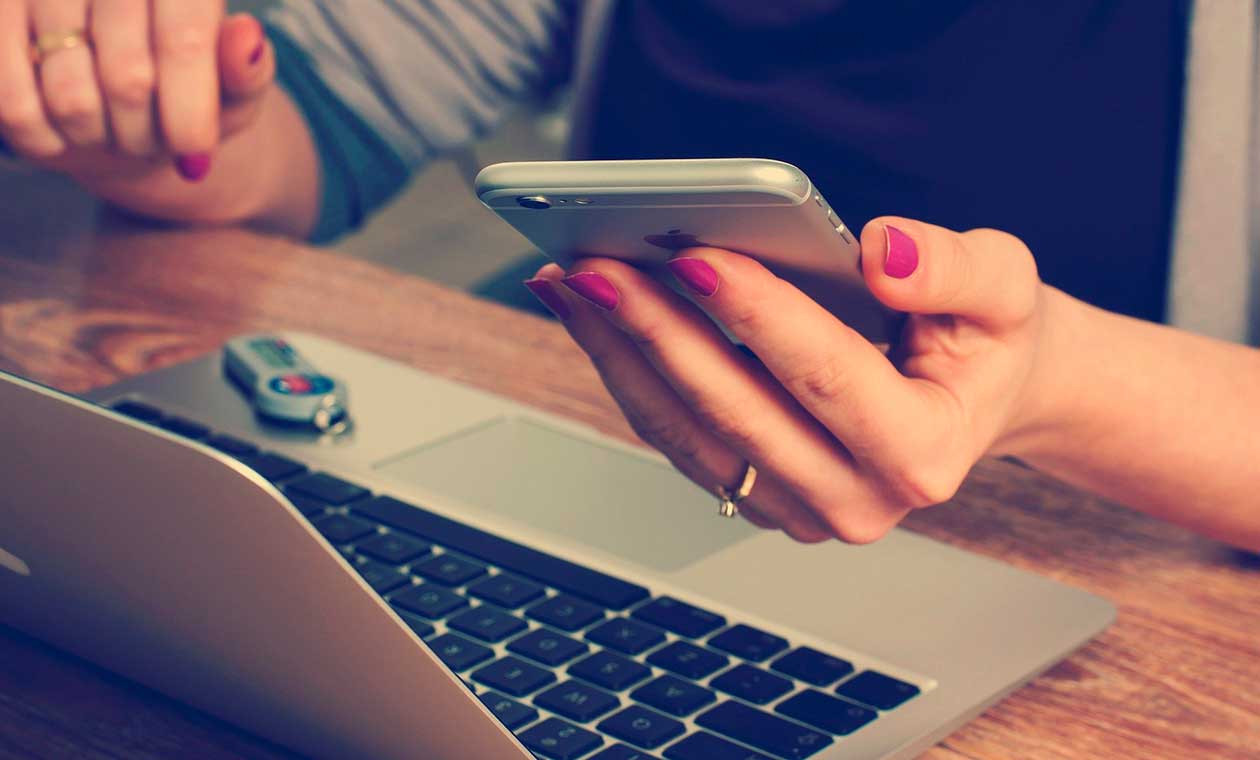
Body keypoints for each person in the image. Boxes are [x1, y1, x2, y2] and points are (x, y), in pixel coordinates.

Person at [0, 1, 1256, 550]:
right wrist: (145, 103)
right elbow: (317, 121)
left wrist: (1053, 381)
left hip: (1127, 589)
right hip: (607, 480)